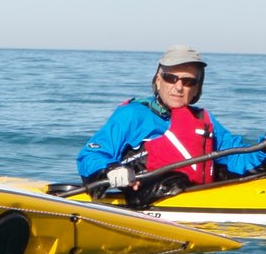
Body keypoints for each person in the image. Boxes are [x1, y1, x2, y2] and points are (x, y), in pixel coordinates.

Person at [76, 44, 266, 206]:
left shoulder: (204, 120)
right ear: (158, 81)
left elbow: (240, 157)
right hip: (148, 203)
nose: (179, 87)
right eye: (171, 78)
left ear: (197, 88)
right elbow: (91, 155)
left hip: (199, 200)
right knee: (174, 180)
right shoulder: (132, 115)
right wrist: (110, 170)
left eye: (188, 81)